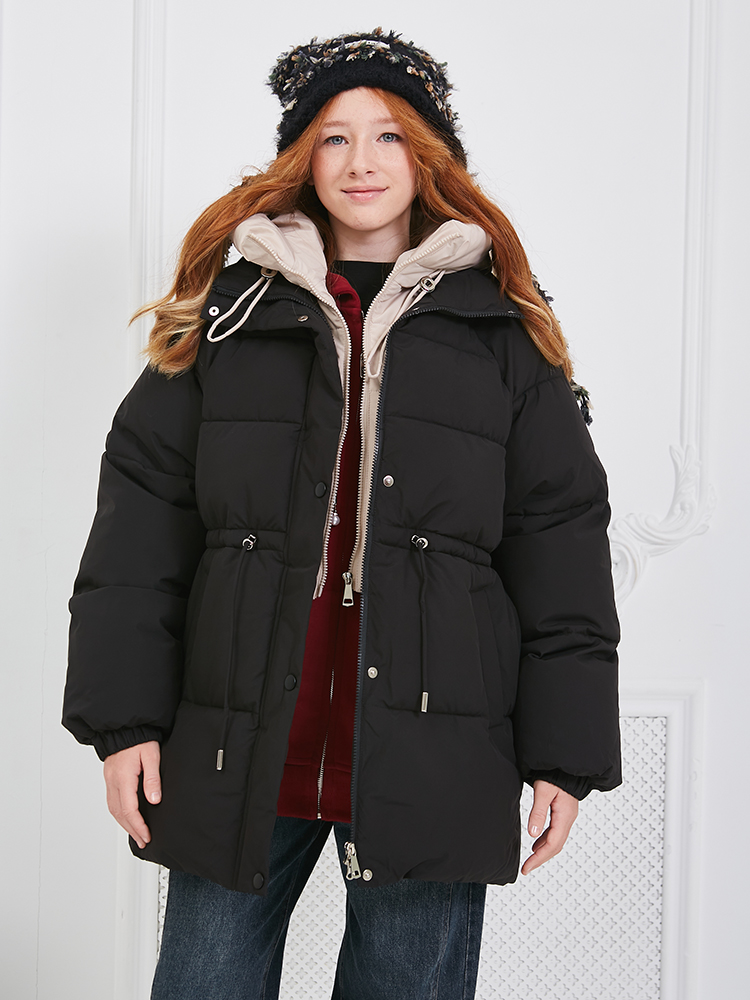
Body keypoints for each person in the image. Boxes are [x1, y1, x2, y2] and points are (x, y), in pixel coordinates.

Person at [62, 28, 621, 1000]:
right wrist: (123, 723)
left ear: (427, 155)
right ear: (302, 157)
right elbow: (140, 529)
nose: (362, 161)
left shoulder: (501, 333)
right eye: (334, 136)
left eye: (389, 135)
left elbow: (560, 544)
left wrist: (564, 757)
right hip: (242, 747)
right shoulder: (230, 317)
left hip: (434, 756)